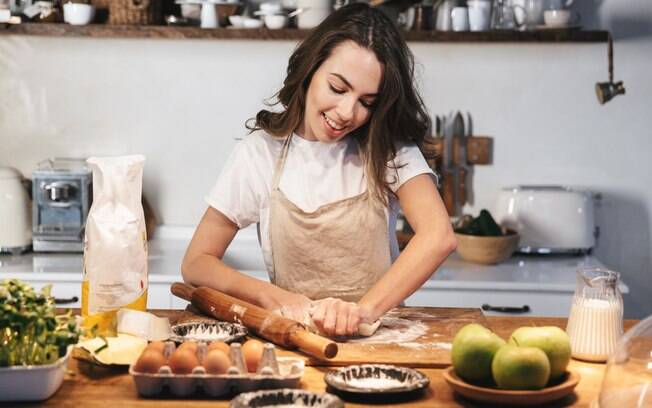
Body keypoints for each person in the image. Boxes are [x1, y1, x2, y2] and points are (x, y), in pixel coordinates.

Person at [182, 3, 456, 338]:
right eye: (338, 89)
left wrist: (362, 312)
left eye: (366, 102)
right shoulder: (260, 154)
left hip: (383, 340)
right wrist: (273, 296)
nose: (346, 112)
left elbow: (438, 236)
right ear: (311, 69)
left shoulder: (388, 150)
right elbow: (196, 263)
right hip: (292, 340)